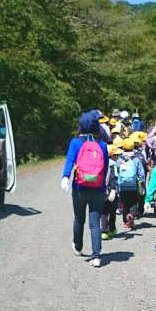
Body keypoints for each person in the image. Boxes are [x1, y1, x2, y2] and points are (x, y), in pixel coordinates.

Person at [61, 110, 109, 268]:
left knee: (79, 218)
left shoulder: (75, 142)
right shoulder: (101, 144)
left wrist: (66, 177)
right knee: (95, 224)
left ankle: (78, 246)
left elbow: (69, 161)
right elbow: (105, 168)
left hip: (79, 187)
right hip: (97, 188)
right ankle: (96, 256)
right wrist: (104, 185)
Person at [117, 138, 145, 230]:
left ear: (123, 148)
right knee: (133, 203)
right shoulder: (136, 160)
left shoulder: (120, 159)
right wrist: (142, 184)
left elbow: (116, 172)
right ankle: (132, 215)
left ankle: (126, 222)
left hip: (122, 187)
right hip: (134, 186)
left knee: (124, 204)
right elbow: (141, 174)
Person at [101, 145, 122, 240]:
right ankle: (112, 229)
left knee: (104, 212)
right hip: (112, 191)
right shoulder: (113, 165)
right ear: (111, 155)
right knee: (112, 211)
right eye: (116, 154)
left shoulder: (102, 162)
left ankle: (104, 232)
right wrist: (114, 190)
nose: (117, 156)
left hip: (102, 190)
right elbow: (114, 178)